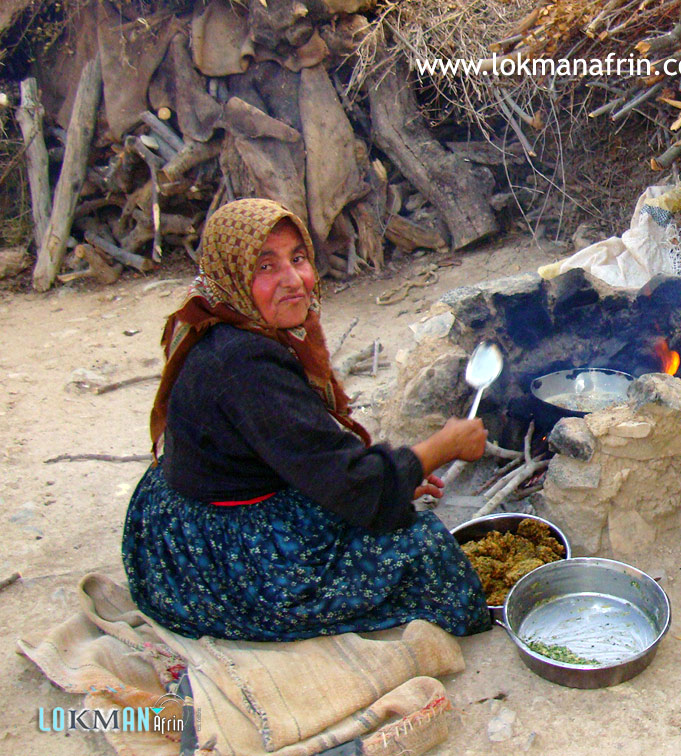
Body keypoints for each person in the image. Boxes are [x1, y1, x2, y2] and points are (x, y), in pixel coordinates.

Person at [122, 198, 491, 641]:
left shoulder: (212, 315)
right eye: (265, 266)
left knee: (378, 505)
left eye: (298, 259)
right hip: (217, 556)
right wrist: (441, 448)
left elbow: (302, 449)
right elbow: (347, 479)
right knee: (423, 549)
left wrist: (396, 477)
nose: (293, 280)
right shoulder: (244, 364)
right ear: (232, 272)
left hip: (184, 516)